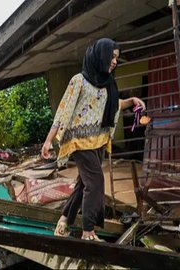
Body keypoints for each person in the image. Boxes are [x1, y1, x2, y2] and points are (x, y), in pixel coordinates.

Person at [41, 38, 146, 241]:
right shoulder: (79, 80)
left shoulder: (107, 84)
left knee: (84, 183)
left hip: (98, 141)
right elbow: (63, 112)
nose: (115, 61)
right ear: (101, 55)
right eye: (112, 57)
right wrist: (48, 141)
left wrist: (132, 101)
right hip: (79, 142)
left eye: (116, 58)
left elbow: (114, 105)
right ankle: (88, 231)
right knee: (96, 182)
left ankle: (64, 219)